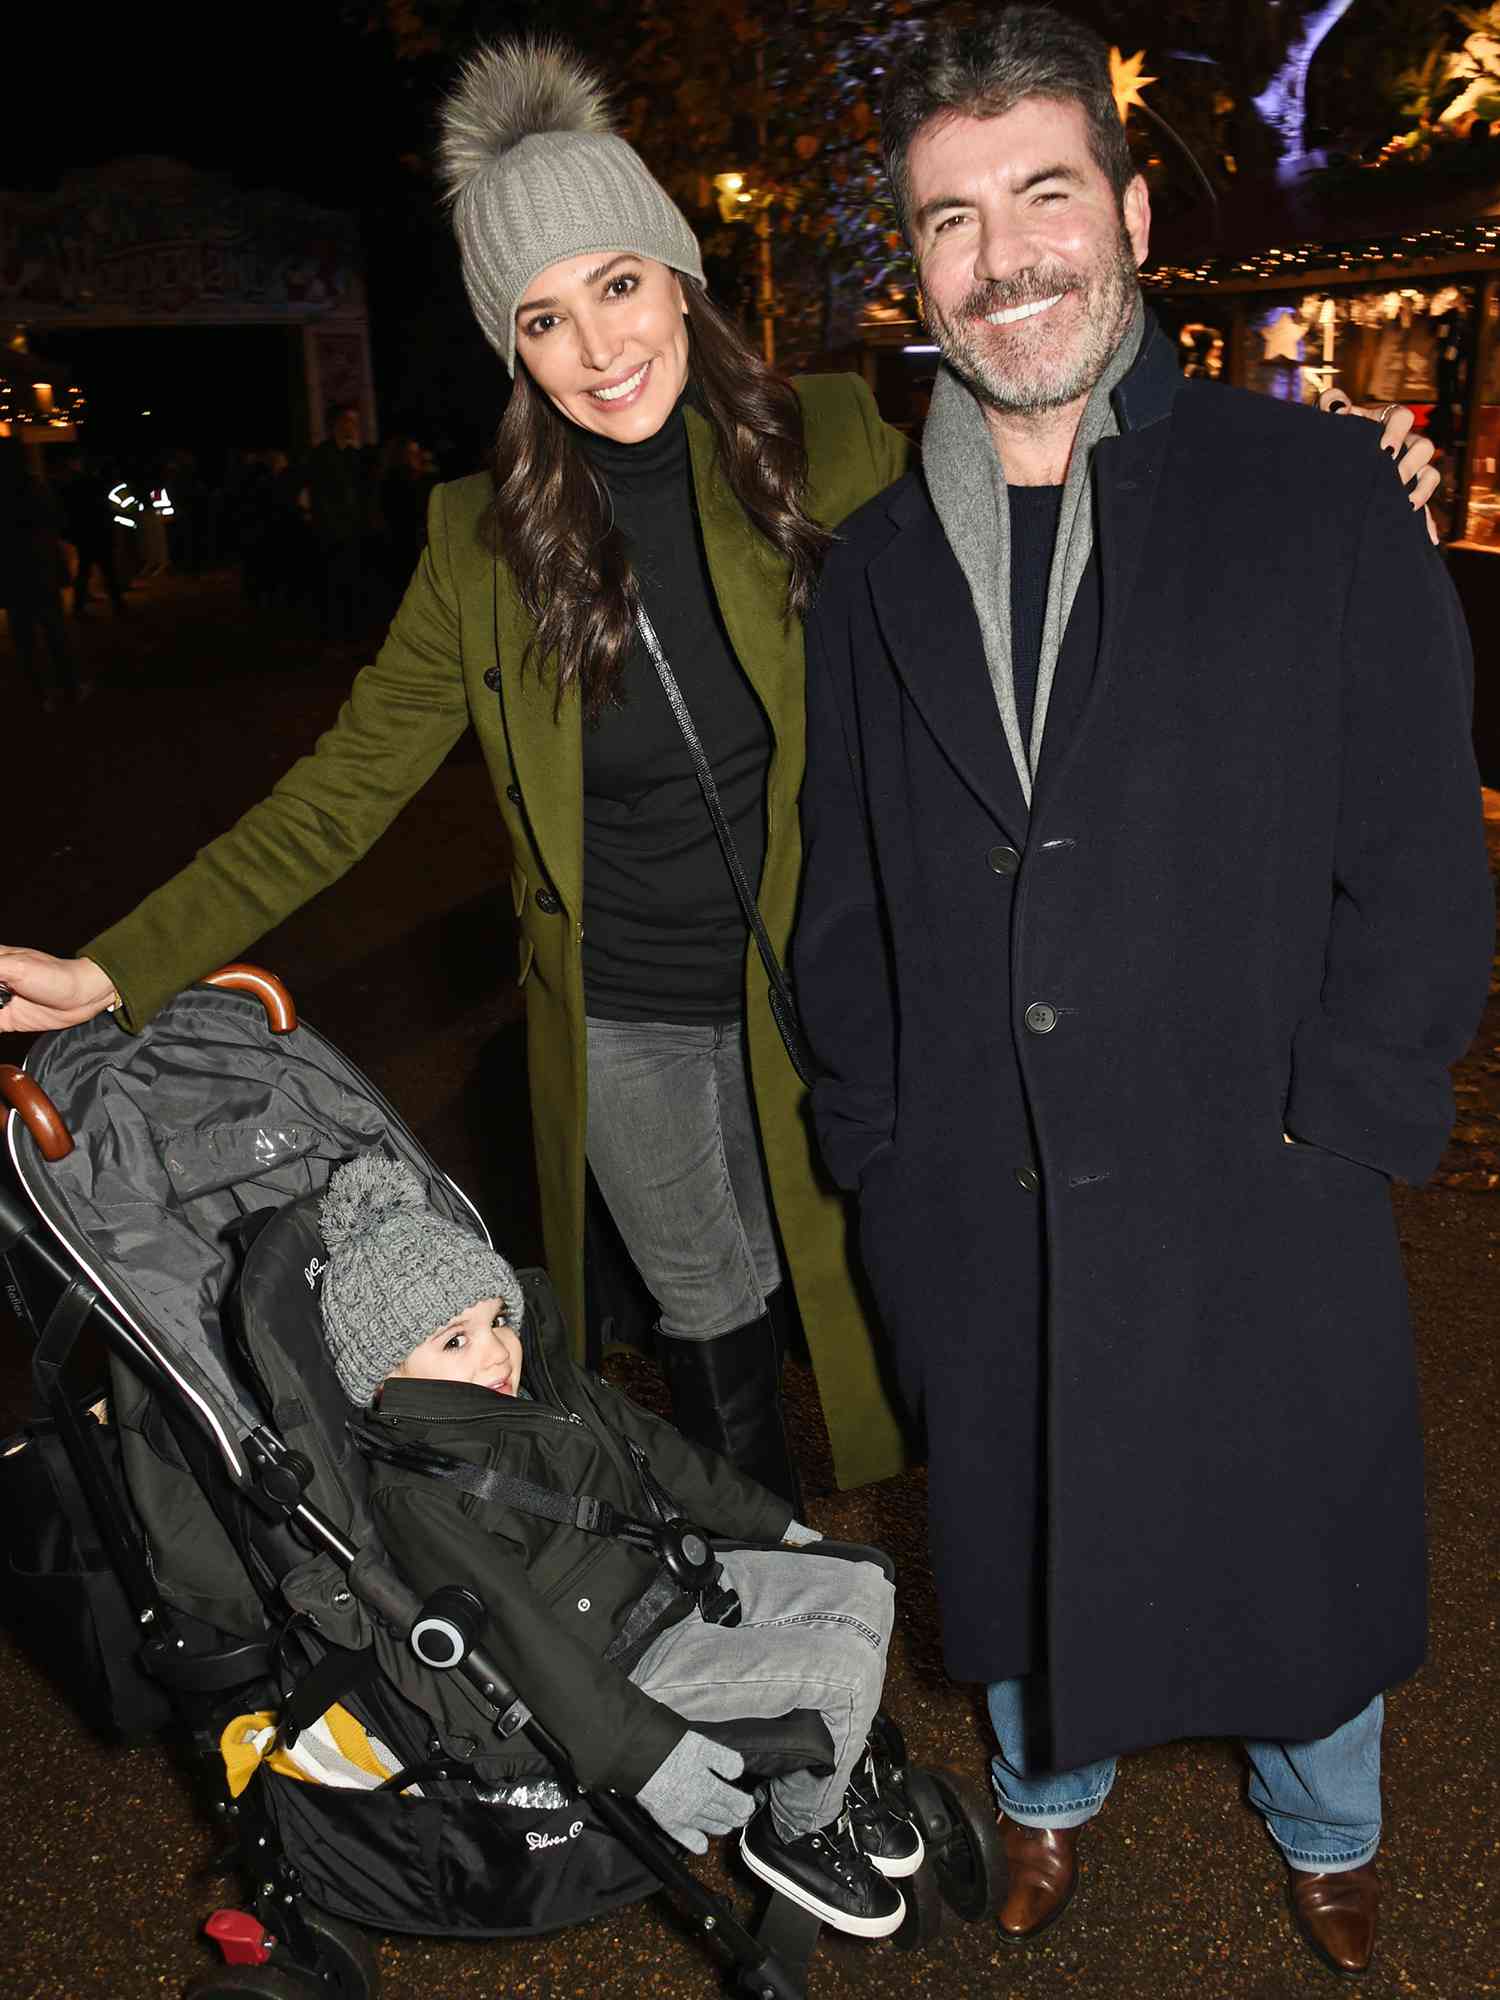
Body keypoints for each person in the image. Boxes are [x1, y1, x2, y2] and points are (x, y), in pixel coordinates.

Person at [0, 41, 1443, 1518]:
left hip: (836, 985)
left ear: (679, 278)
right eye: (544, 318)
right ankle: (784, 1593)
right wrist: (112, 967)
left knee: (900, 1299)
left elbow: (1063, 483)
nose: (598, 347)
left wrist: (1319, 480)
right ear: (514, 349)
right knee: (712, 1326)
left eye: (618, 286)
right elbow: (338, 793)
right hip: (624, 1016)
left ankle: (974, 1568)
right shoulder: (476, 544)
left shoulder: (827, 444)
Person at [791, 7, 1493, 1980]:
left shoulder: (1320, 496)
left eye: (1044, 194)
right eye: (951, 221)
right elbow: (843, 890)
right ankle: (1044, 1798)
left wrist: (1347, 1112)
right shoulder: (869, 576)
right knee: (1015, 1514)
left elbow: (1423, 853)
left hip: (1252, 1161)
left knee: (1293, 1528)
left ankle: (1331, 1821)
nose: (1006, 255)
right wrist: (878, 1138)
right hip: (983, 1186)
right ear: (912, 272)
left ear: (1131, 209)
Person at [317, 1151, 918, 1936]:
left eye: (497, 1319)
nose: (498, 1352)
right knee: (839, 1674)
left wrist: (777, 1528)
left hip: (665, 1583)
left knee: (866, 1579)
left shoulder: (544, 1389)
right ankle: (798, 1830)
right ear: (384, 1374)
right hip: (618, 1669)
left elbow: (661, 1450)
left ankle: (832, 1766)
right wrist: (644, 1753)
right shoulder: (418, 1494)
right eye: (453, 1341)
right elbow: (521, 1639)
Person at [0, 439, 87, 712]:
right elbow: (56, 523)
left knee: (24, 638)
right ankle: (70, 687)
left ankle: (40, 694)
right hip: (39, 569)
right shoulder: (35, 487)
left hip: (11, 573)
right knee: (54, 631)